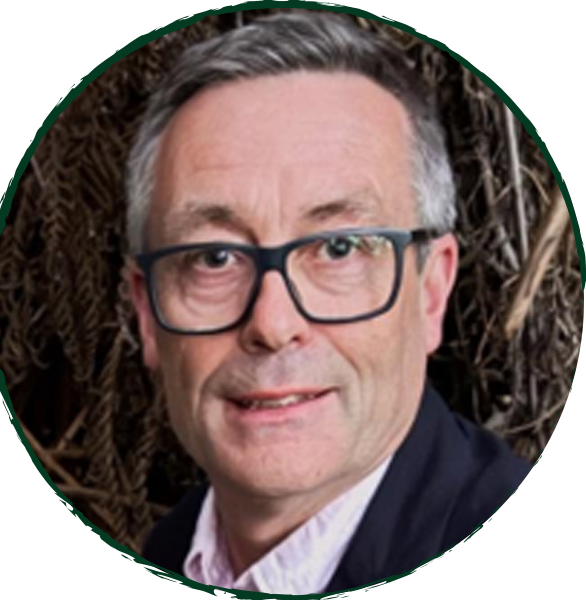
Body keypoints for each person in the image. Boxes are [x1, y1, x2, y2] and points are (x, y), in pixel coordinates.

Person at [126, 10, 531, 593]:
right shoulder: (171, 550)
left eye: (339, 248)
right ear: (147, 312)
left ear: (431, 291)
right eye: (214, 257)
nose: (273, 324)